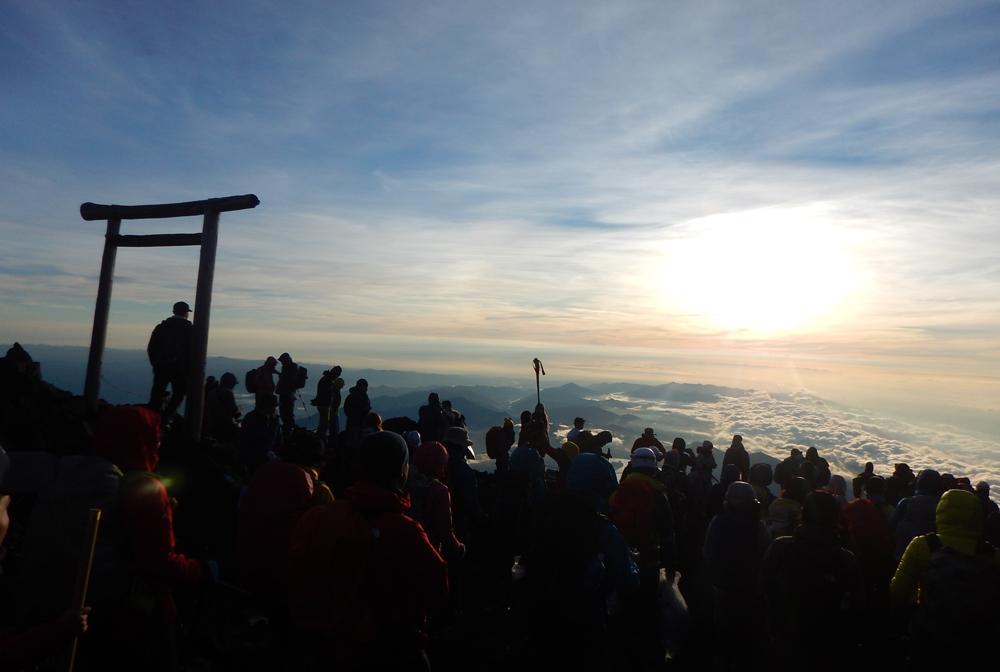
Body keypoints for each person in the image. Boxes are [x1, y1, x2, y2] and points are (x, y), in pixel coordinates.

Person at [288, 431, 448, 670]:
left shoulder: (319, 516)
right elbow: (438, 589)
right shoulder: (405, 532)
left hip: (316, 644)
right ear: (401, 472)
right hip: (383, 649)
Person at [93, 405, 210, 671]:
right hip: (137, 610)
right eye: (155, 438)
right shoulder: (145, 488)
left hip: (86, 606)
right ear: (144, 441)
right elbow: (159, 562)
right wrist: (201, 570)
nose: (159, 443)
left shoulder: (86, 480)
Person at [890, 489, 1000, 667]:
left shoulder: (923, 545)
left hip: (929, 638)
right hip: (978, 645)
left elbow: (897, 592)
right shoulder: (993, 555)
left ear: (941, 511)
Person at [761, 491, 865, 670]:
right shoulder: (846, 559)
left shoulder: (780, 548)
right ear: (835, 517)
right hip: (829, 647)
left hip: (785, 641)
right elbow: (858, 608)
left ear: (803, 513)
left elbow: (763, 590)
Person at [146, 301, 193, 422]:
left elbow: (151, 347)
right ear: (186, 313)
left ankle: (151, 419)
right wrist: (189, 368)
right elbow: (194, 351)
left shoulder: (161, 327)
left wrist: (156, 363)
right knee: (179, 394)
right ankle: (165, 419)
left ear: (173, 311)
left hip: (161, 367)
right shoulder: (190, 329)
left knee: (157, 394)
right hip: (180, 369)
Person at [889, 469, 942, 562]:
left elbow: (891, 526)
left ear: (918, 483)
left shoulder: (905, 503)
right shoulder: (942, 507)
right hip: (932, 561)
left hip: (902, 557)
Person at [240, 394, 282, 474]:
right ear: (266, 407)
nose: (275, 409)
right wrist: (265, 453)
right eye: (273, 407)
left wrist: (276, 454)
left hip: (272, 457)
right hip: (255, 459)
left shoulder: (275, 419)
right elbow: (246, 442)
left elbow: (279, 439)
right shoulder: (250, 419)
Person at [205, 371, 240, 443]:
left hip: (211, 426)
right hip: (225, 427)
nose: (233, 386)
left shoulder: (212, 392)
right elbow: (235, 412)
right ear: (230, 383)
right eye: (233, 384)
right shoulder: (228, 393)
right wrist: (238, 411)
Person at [312, 365, 343, 442]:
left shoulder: (326, 379)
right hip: (324, 405)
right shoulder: (328, 381)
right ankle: (320, 439)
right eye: (337, 375)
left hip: (323, 404)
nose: (337, 377)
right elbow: (326, 394)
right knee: (324, 423)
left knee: (324, 422)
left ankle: (320, 438)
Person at [276, 353, 302, 434]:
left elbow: (288, 380)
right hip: (288, 393)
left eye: (282, 361)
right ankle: (288, 431)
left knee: (286, 414)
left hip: (287, 394)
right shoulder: (289, 367)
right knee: (286, 414)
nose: (281, 362)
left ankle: (288, 432)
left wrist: (281, 376)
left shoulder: (290, 368)